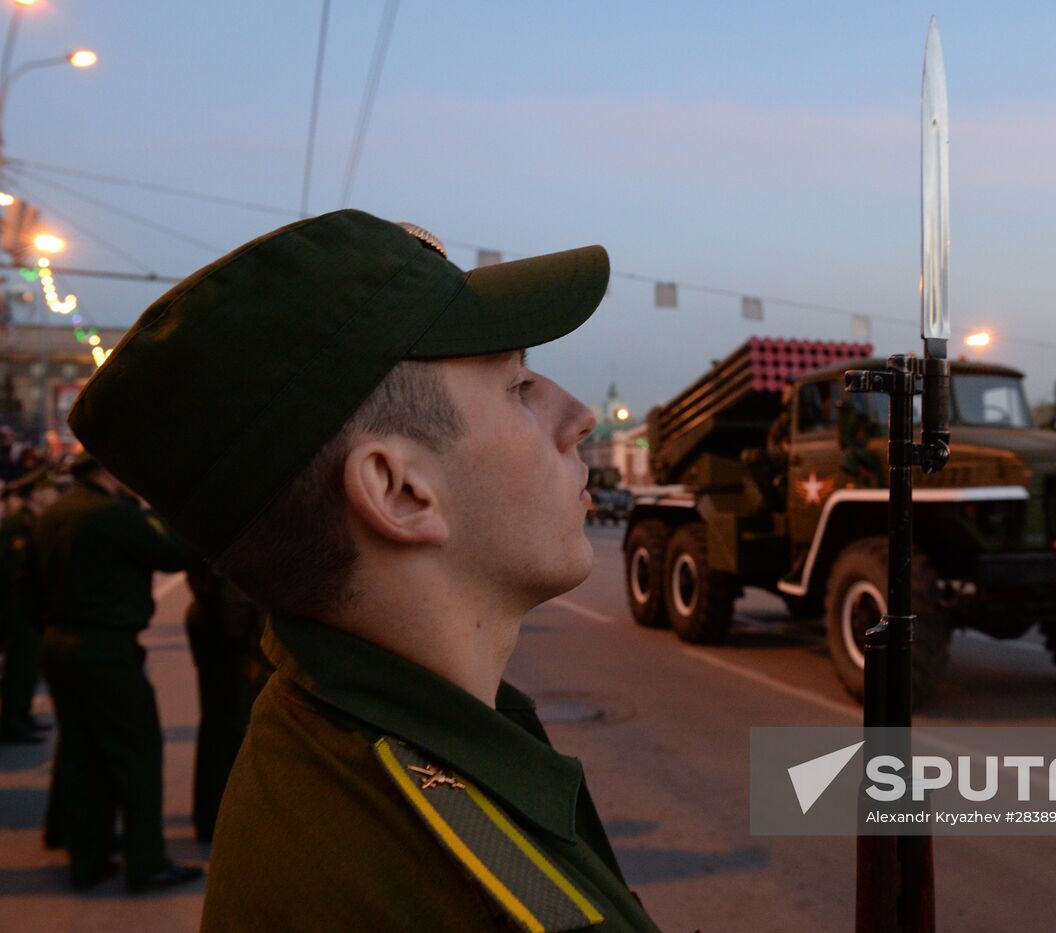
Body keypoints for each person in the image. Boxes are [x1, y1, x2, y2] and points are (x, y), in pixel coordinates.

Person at [69, 210, 666, 930]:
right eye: (517, 386)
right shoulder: (433, 881)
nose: (578, 418)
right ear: (399, 490)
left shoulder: (334, 750)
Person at [33, 452, 201, 891]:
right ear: (109, 471)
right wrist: (159, 513)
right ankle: (147, 862)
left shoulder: (55, 512)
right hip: (106, 648)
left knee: (81, 748)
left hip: (58, 641)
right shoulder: (114, 516)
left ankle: (87, 856)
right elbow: (174, 555)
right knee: (137, 752)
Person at [182, 559, 271, 843]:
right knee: (234, 732)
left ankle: (210, 818)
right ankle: (226, 821)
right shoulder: (239, 535)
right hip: (232, 645)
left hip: (210, 628)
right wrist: (253, 649)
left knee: (217, 730)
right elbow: (237, 605)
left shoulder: (209, 527)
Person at [0, 467, 59, 742]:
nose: (53, 493)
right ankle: (13, 723)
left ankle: (22, 716)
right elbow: (11, 575)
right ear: (35, 494)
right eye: (47, 489)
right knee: (19, 668)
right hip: (16, 610)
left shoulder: (35, 521)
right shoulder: (16, 526)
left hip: (28, 610)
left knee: (28, 668)